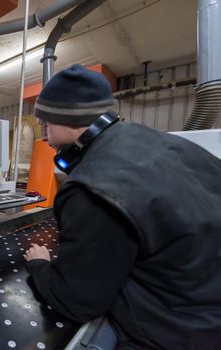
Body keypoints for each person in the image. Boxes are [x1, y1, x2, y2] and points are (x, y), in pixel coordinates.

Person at [23, 64, 221, 349]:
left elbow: (77, 301)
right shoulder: (161, 141)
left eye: (46, 124)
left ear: (65, 119)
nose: (45, 137)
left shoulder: (91, 186)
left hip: (177, 332)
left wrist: (40, 265)